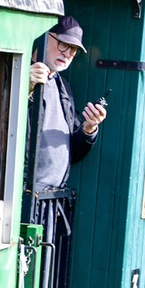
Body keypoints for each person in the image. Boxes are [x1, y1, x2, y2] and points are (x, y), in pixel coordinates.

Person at [27, 15, 106, 191]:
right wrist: (27, 87)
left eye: (73, 49)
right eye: (63, 44)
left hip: (53, 199)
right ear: (45, 37)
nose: (68, 53)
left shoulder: (63, 86)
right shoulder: (16, 72)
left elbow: (73, 153)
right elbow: (1, 121)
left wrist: (88, 129)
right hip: (23, 192)